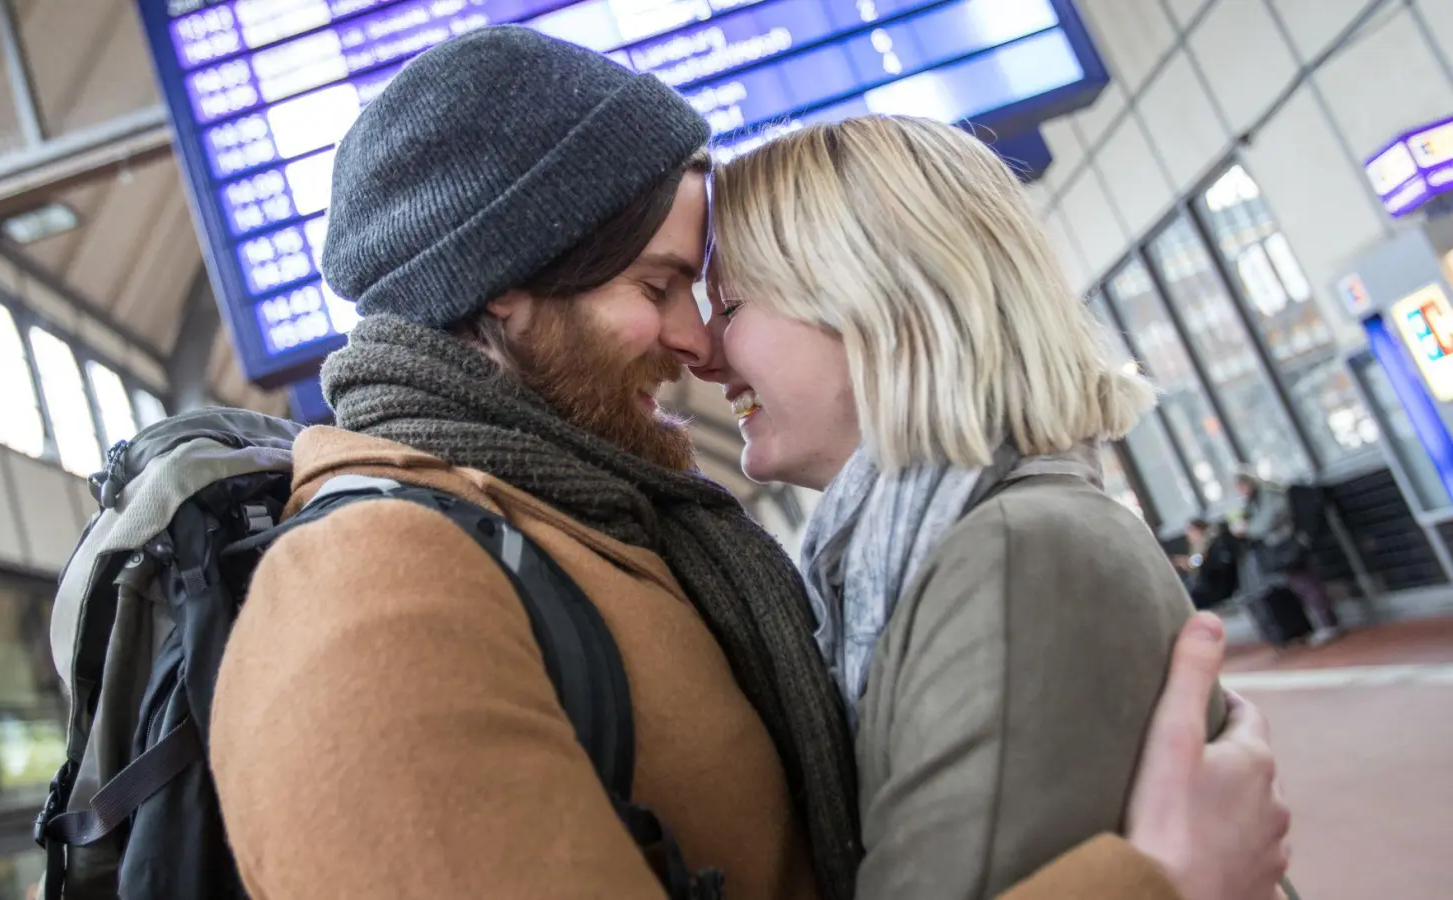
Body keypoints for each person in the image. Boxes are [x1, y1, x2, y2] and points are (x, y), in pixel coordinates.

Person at [209, 27, 1288, 900]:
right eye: (658, 288)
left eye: (718, 298)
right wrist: (1155, 884)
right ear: (505, 287)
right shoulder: (373, 592)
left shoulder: (582, 531)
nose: (696, 343)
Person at [698, 114, 1272, 900]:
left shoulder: (1009, 557)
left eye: (730, 307)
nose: (701, 348)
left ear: (875, 296)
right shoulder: (955, 546)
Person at [1234, 471, 1341, 645]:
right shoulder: (1256, 499)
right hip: (1280, 546)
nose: (1241, 492)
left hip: (1288, 544)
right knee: (1300, 585)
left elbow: (1270, 519)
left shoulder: (1268, 493)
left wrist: (1247, 529)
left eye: (1241, 487)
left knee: (1306, 583)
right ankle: (1323, 623)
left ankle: (1328, 624)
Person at [1175, 518, 1243, 611]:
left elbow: (1198, 561)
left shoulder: (1205, 544)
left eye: (1190, 530)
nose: (1187, 535)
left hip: (1216, 586)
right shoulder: (1209, 541)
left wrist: (1188, 563)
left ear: (1198, 530)